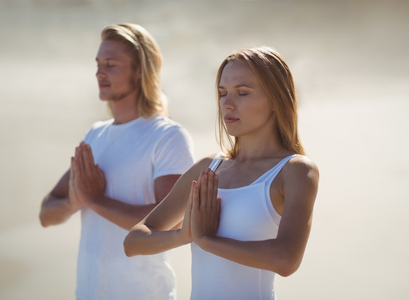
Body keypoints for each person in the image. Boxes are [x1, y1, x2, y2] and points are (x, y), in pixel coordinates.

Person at [124, 46, 319, 300]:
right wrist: (183, 235)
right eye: (222, 93)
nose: (227, 104)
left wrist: (206, 240)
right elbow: (134, 241)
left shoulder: (295, 171)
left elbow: (286, 259)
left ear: (276, 99)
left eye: (242, 93)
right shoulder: (208, 168)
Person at [39, 23, 194, 300]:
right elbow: (46, 213)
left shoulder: (167, 136)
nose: (99, 72)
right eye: (98, 63)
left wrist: (94, 200)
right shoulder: (95, 134)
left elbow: (170, 224)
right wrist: (74, 202)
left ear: (139, 72)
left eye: (111, 64)